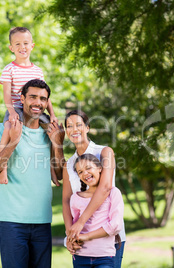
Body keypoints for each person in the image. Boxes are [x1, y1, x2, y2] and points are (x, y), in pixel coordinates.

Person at [0, 79, 65, 268]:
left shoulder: (49, 133)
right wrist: (13, 142)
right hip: (12, 220)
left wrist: (58, 144)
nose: (38, 102)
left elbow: (59, 175)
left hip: (43, 219)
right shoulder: (3, 130)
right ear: (22, 99)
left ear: (47, 103)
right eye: (33, 97)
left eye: (43, 99)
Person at [62, 110, 126, 268]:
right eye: (69, 126)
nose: (74, 129)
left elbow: (105, 187)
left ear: (87, 127)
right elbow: (66, 200)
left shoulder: (105, 152)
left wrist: (80, 222)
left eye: (79, 125)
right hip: (81, 243)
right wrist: (70, 235)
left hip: (107, 241)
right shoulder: (69, 164)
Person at [0, 27, 58, 184]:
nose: (22, 47)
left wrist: (52, 114)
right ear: (11, 48)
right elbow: (6, 94)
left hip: (36, 110)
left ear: (32, 45)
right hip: (17, 108)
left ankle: (51, 169)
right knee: (8, 129)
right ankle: (2, 169)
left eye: (25, 43)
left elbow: (46, 95)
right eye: (17, 44)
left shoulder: (37, 71)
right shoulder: (8, 69)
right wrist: (11, 111)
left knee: (53, 133)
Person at [70, 154, 124, 268]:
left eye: (88, 168)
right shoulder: (76, 198)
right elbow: (74, 228)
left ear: (100, 168)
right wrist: (71, 240)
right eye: (80, 172)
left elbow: (115, 226)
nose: (85, 173)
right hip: (80, 256)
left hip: (104, 256)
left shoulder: (113, 193)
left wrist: (87, 236)